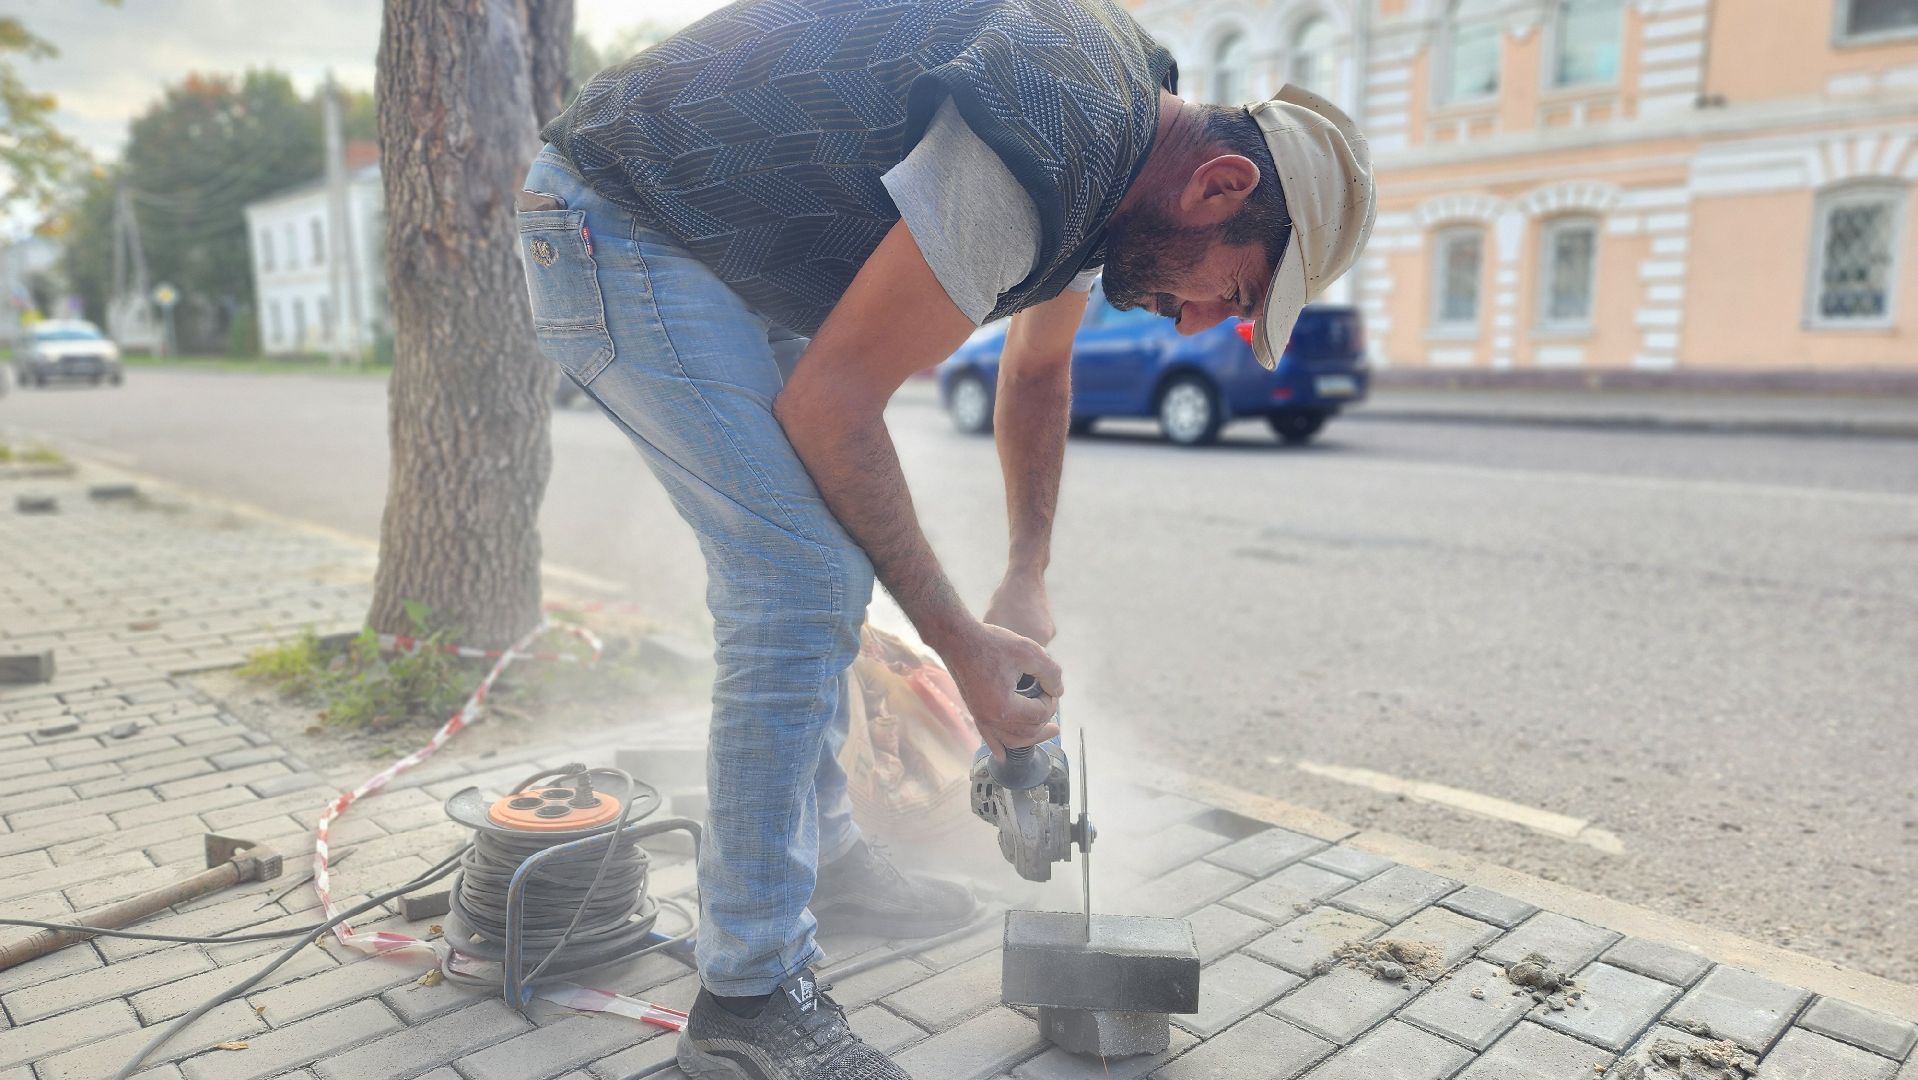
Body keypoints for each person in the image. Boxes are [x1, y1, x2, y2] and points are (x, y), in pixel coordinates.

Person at [519, 1, 1374, 1076]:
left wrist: (1021, 581)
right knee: (797, 579)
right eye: (1233, 292)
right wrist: (964, 651)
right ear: (1220, 187)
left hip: (717, 247)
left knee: (819, 561)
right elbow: (834, 405)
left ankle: (819, 861)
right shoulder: (1052, 140)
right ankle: (747, 999)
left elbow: (1039, 372)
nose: (1199, 326)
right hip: (620, 218)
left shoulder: (1122, 168)